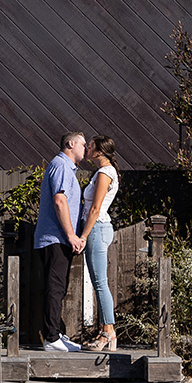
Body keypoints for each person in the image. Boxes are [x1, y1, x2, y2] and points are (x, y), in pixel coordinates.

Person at [34, 131, 86, 352]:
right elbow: (59, 201)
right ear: (71, 143)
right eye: (83, 144)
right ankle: (51, 338)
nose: (86, 148)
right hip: (55, 238)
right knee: (55, 288)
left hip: (59, 239)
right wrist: (71, 235)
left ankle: (56, 334)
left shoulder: (66, 168)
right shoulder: (61, 165)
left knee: (59, 288)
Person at [79, 135, 120, 351]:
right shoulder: (102, 172)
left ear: (99, 151)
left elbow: (95, 209)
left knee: (100, 283)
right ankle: (106, 330)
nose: (86, 148)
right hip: (98, 228)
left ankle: (108, 333)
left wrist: (83, 236)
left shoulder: (105, 173)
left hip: (96, 229)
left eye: (90, 146)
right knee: (99, 283)